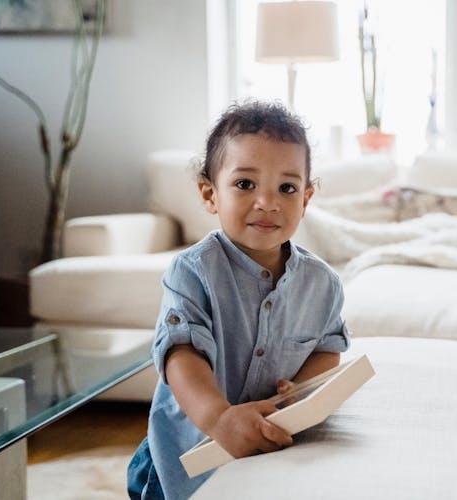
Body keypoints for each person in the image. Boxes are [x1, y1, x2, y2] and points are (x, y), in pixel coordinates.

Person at [127, 101, 350, 499]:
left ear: (307, 198)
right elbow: (181, 357)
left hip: (265, 451)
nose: (268, 202)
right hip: (186, 454)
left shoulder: (323, 283)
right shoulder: (193, 272)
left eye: (287, 187)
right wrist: (219, 419)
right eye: (246, 184)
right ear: (210, 194)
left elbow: (326, 348)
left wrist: (297, 392)